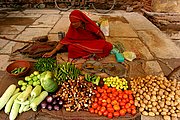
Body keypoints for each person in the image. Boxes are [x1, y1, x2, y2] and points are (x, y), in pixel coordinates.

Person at [43, 10, 113, 60]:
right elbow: (66, 40)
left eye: (75, 22)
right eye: (72, 22)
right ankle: (91, 53)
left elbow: (100, 34)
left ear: (81, 20)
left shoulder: (89, 25)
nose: (73, 24)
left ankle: (91, 52)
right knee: (71, 48)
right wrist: (52, 52)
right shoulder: (72, 27)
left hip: (91, 42)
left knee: (108, 46)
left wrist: (102, 42)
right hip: (79, 44)